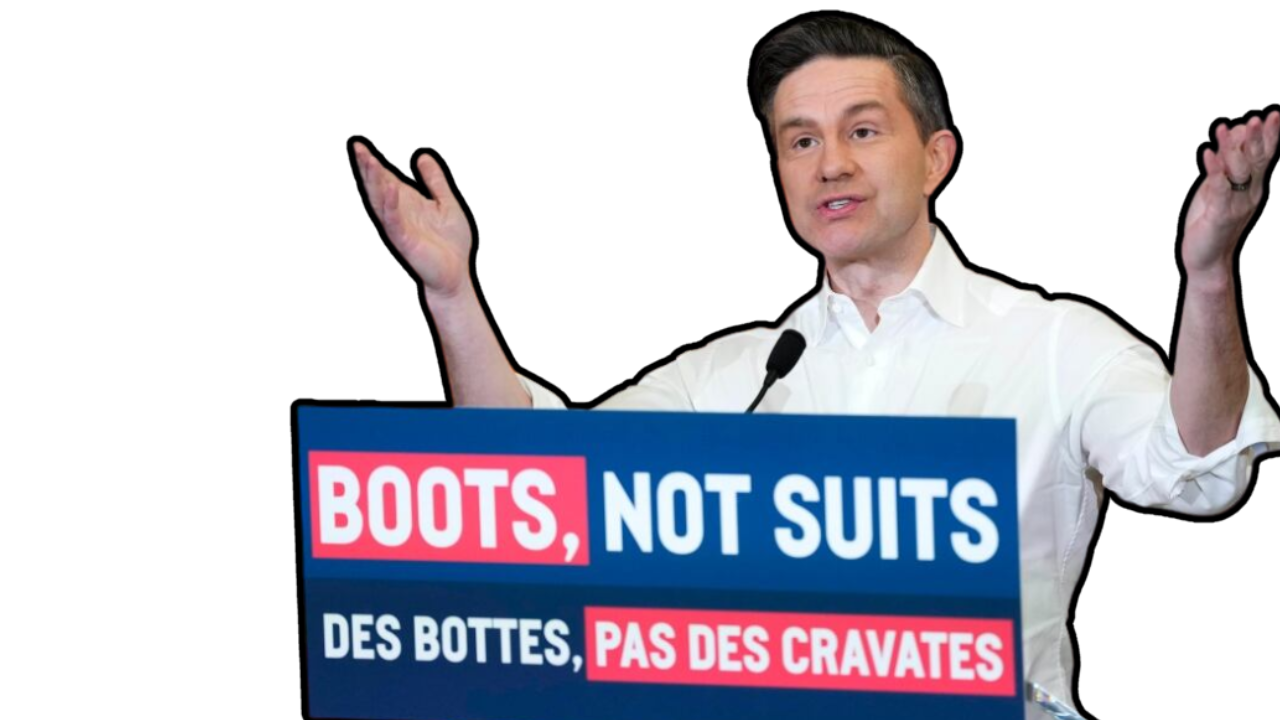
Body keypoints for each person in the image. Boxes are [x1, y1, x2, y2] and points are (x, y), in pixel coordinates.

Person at [351, 16, 1280, 718]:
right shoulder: (738, 376)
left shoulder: (1051, 342)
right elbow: (527, 486)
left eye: (862, 131)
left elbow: (1196, 464)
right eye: (800, 141)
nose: (829, 164)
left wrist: (1209, 279)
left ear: (936, 159)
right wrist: (452, 294)